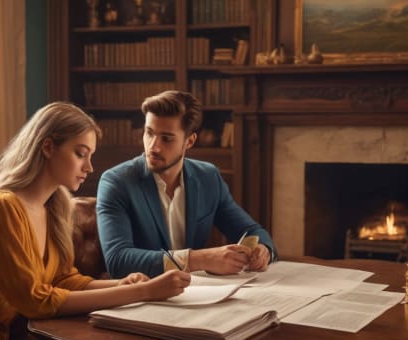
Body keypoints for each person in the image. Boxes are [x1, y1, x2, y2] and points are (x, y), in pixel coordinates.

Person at [0, 102, 190, 340]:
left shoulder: (54, 208)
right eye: (80, 154)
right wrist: (143, 292)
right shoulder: (3, 207)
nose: (89, 167)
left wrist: (123, 284)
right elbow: (35, 300)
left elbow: (64, 280)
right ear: (48, 147)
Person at [96, 90, 277, 278]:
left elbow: (251, 230)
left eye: (166, 138)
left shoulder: (208, 177)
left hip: (197, 293)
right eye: (149, 133)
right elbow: (118, 260)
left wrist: (263, 249)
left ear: (189, 141)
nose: (153, 147)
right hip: (144, 295)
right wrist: (200, 259)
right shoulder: (117, 182)